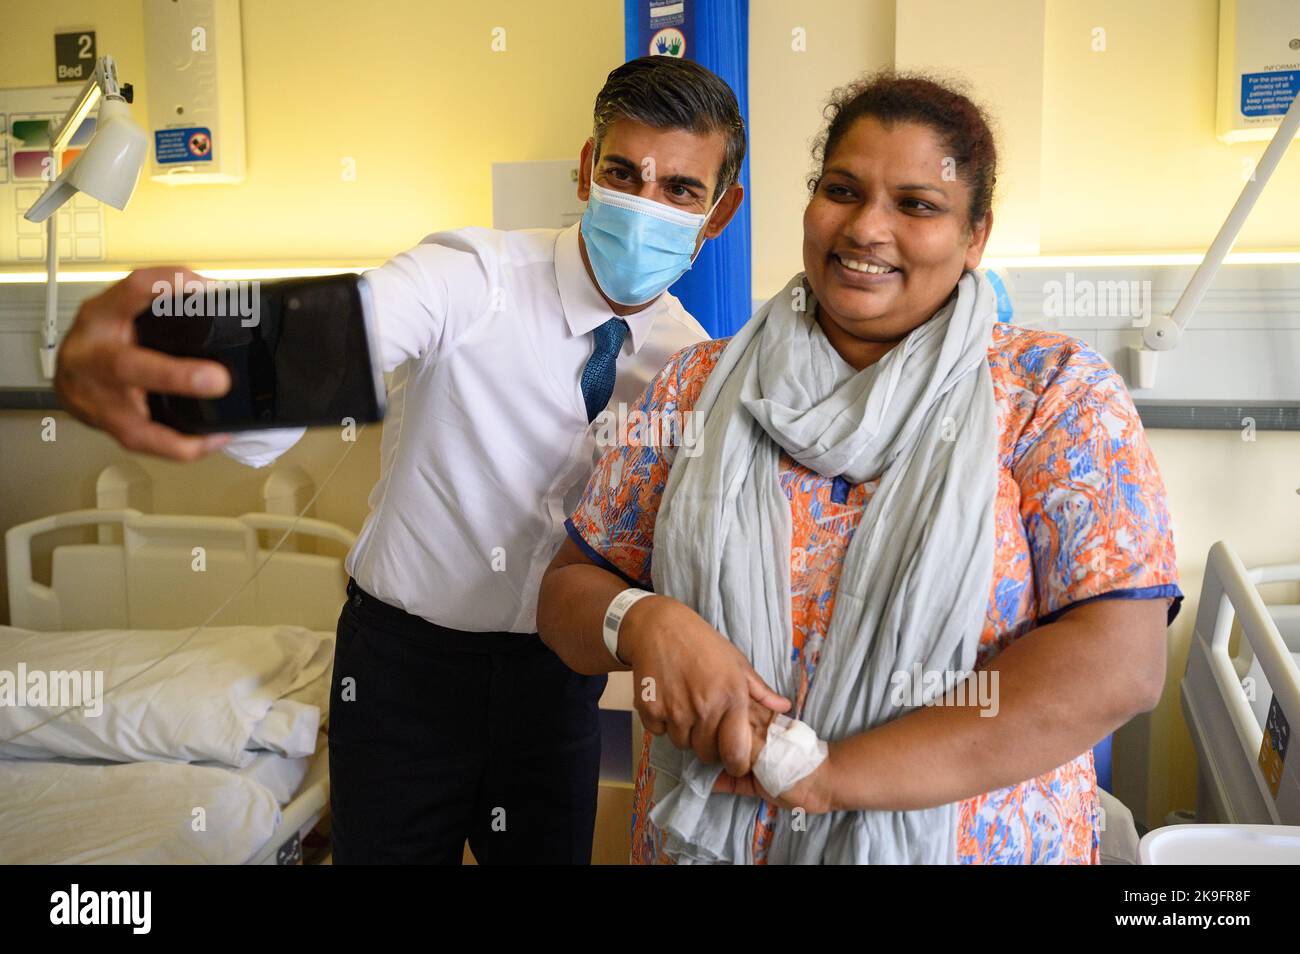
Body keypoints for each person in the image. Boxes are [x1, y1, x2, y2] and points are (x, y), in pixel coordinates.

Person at [51, 55, 747, 864]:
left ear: (719, 212)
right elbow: (353, 328)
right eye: (625, 174)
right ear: (588, 170)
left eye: (679, 192)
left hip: (553, 688)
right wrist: (181, 357)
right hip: (401, 673)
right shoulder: (472, 277)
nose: (643, 206)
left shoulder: (689, 367)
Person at [536, 70, 1184, 864]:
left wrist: (834, 776)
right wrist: (644, 622)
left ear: (976, 235)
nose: (867, 228)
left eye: (917, 204)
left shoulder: (1052, 395)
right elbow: (567, 597)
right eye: (842, 190)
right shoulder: (697, 385)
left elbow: (1118, 667)